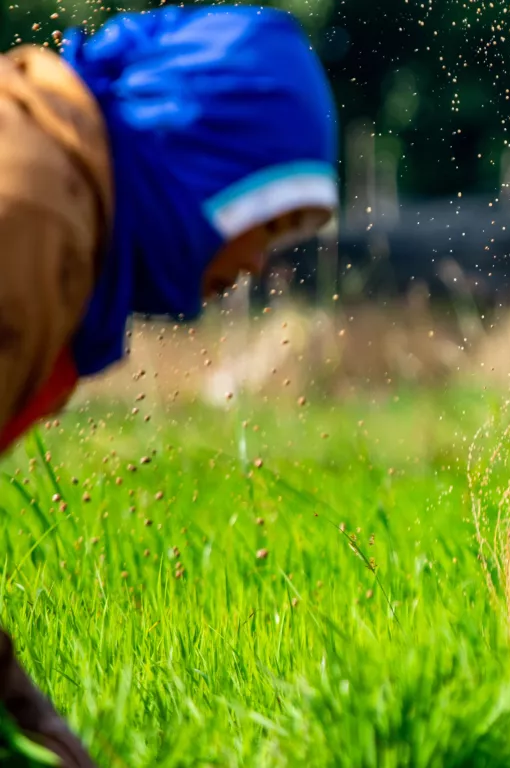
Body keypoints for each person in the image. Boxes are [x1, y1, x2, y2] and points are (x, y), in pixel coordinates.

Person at [0, 6, 339, 764]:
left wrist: (12, 693)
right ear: (202, 161)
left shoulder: (54, 191)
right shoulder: (30, 221)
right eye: (265, 219)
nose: (257, 263)